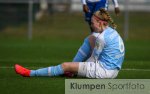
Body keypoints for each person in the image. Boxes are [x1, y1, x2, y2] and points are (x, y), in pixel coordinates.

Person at [15, 8, 125, 79]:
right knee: (90, 39)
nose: (91, 25)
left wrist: (73, 68)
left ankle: (29, 73)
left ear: (101, 23)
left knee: (65, 66)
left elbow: (92, 60)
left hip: (104, 72)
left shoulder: (102, 38)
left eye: (92, 23)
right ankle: (70, 71)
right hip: (113, 71)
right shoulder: (111, 31)